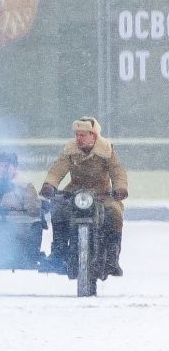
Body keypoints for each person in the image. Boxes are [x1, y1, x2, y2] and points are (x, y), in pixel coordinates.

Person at [42, 116, 128, 278]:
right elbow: (58, 168)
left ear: (93, 135)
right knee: (58, 209)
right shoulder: (70, 150)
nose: (78, 138)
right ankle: (58, 253)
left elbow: (117, 171)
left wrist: (120, 188)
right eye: (77, 135)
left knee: (114, 212)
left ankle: (112, 258)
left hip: (102, 193)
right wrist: (50, 184)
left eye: (83, 135)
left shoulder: (106, 150)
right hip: (75, 191)